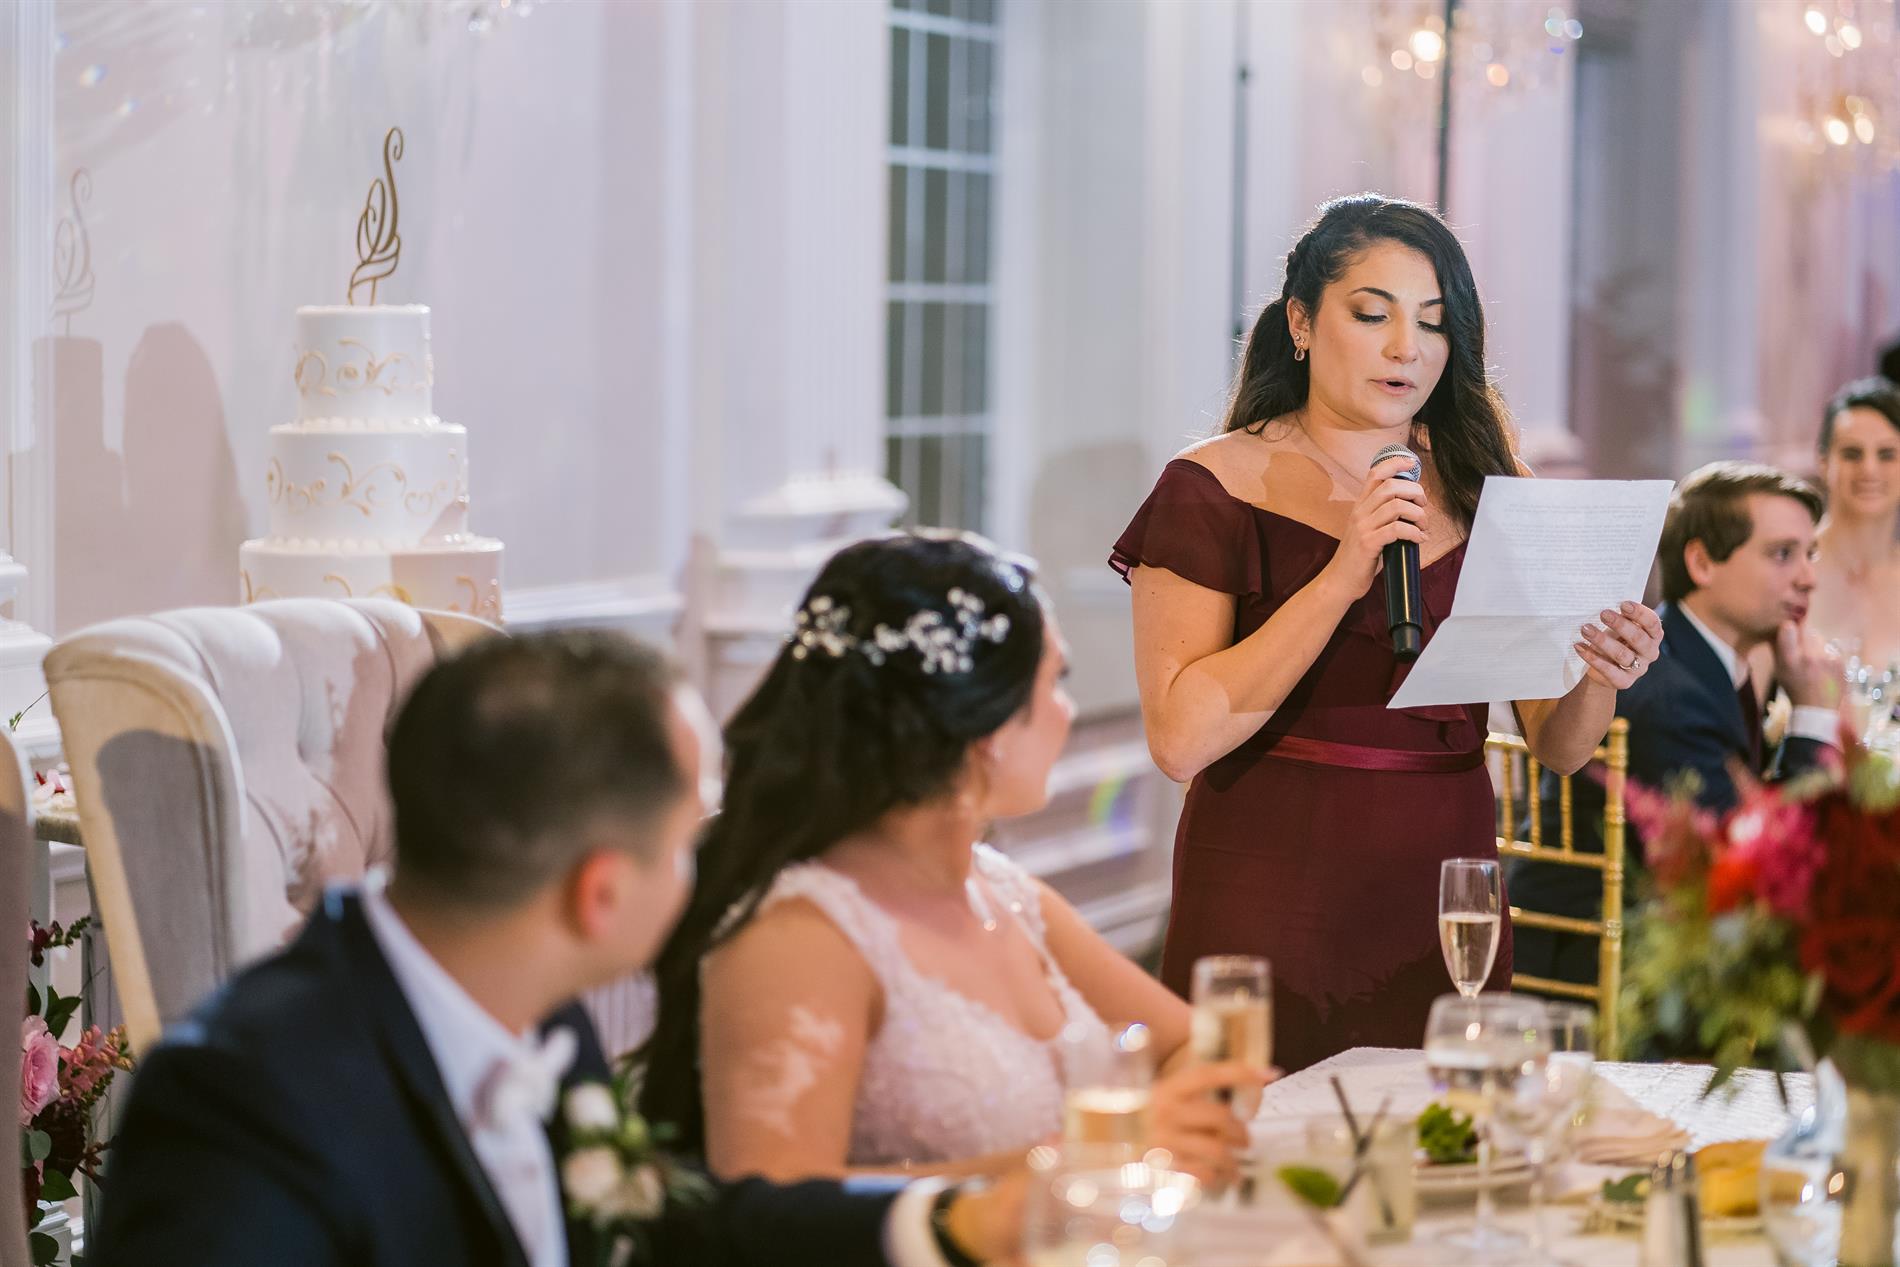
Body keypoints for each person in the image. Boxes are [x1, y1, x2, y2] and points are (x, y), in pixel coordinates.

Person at [91, 631, 1031, 1267]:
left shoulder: (529, 1006)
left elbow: (654, 1215)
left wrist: (951, 1222)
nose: (701, 870)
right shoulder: (243, 1102)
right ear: (601, 893)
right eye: (684, 842)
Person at [1111, 193, 1661, 1073]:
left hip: (1442, 887)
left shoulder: (1488, 485)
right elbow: (1180, 739)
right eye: (1374, 315)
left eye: (1433, 323)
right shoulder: (1211, 487)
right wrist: (1343, 573)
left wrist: (1601, 671)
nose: (1408, 347)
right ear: (1301, 322)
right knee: (1268, 1139)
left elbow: (1558, 746)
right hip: (1272, 879)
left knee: (1444, 1128)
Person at [638, 533, 1268, 1184]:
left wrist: (1165, 1127)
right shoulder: (803, 934)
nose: (1067, 710)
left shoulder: (1003, 892)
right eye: (1054, 682)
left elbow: (1194, 1046)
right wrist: (1101, 1148)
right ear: (988, 731)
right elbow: (776, 1206)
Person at [1510, 462, 1841, 985]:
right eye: (1783, 554)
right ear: (1702, 563)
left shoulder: (1697, 660)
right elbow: (1758, 874)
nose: (1808, 578)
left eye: (1810, 554)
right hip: (1599, 980)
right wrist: (1815, 714)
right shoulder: (1667, 697)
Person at [1809, 377, 1900, 669]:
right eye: (1852, 454)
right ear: (1824, 462)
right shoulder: (1793, 571)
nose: (1869, 469)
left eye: (1887, 454)